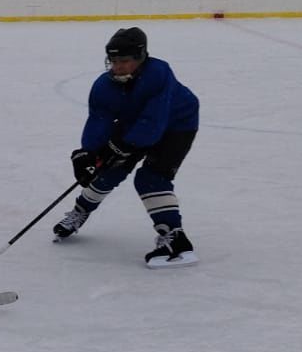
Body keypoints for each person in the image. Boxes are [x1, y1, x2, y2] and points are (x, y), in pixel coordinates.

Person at [53, 26, 200, 268]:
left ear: (141, 57)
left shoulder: (158, 73)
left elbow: (154, 120)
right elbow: (98, 121)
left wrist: (124, 144)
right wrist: (89, 153)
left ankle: (176, 241)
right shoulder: (103, 85)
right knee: (106, 170)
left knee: (151, 178)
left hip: (177, 125)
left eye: (125, 61)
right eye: (113, 60)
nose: (118, 66)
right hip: (135, 124)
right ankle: (81, 211)